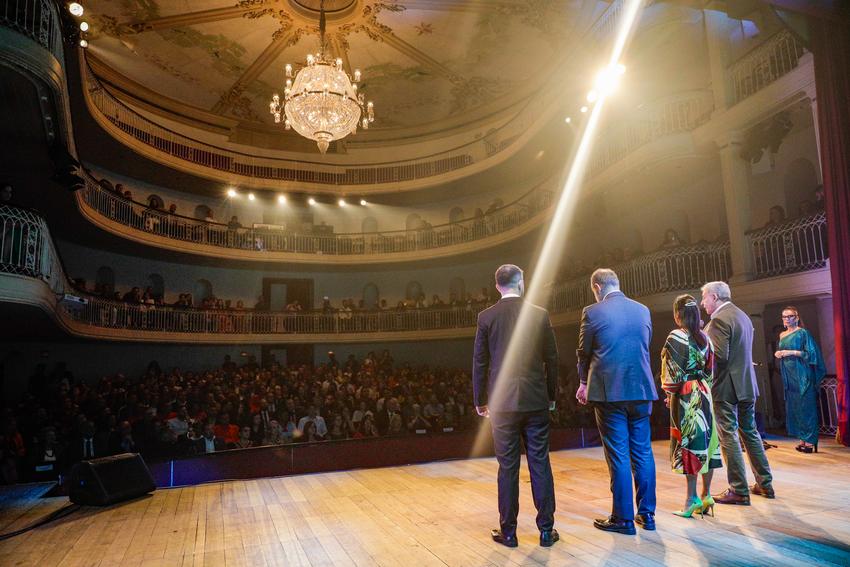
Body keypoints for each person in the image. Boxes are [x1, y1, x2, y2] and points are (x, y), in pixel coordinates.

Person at [473, 264, 559, 548]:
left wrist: (480, 400)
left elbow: (480, 362)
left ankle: (508, 532)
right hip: (535, 400)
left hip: (503, 403)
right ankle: (546, 530)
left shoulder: (486, 317)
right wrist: (551, 396)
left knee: (507, 467)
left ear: (497, 286)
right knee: (540, 463)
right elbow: (552, 358)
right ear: (521, 283)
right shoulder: (539, 314)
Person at [576, 268, 658, 535]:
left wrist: (583, 383)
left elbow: (583, 352)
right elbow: (644, 345)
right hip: (641, 389)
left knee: (618, 455)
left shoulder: (593, 312)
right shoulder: (642, 309)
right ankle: (647, 515)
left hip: (610, 391)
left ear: (597, 287)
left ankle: (622, 519)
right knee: (643, 452)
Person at [701, 281, 774, 504]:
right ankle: (765, 483)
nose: (702, 303)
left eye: (704, 298)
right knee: (750, 433)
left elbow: (718, 357)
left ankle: (739, 489)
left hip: (726, 387)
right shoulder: (741, 315)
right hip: (746, 384)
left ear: (714, 297)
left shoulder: (719, 320)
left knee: (728, 436)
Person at [661, 295, 723, 518]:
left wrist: (670, 394)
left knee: (690, 446)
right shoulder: (706, 338)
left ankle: (690, 499)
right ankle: (707, 495)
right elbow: (710, 371)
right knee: (707, 443)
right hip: (705, 392)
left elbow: (672, 375)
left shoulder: (676, 336)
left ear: (678, 314)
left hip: (687, 395)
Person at [774, 306, 826, 453]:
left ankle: (810, 441)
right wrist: (779, 354)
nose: (787, 319)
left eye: (790, 316)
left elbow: (812, 354)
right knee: (796, 407)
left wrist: (790, 352)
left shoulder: (803, 333)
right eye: (784, 316)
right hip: (789, 375)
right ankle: (802, 439)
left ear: (797, 317)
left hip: (802, 373)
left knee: (807, 407)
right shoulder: (782, 335)